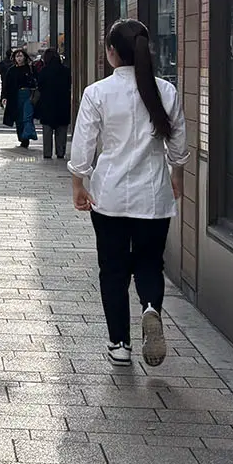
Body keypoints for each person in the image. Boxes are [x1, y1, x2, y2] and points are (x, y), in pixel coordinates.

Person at [68, 19, 189, 369]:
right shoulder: (165, 91)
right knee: (150, 262)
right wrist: (176, 177)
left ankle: (120, 344)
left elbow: (83, 146)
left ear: (110, 53)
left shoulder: (98, 93)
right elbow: (178, 147)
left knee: (114, 270)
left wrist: (79, 183)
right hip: (153, 197)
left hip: (110, 197)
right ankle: (151, 307)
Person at [34, 47, 71, 159]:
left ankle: (47, 153)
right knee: (61, 129)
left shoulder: (44, 71)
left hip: (47, 104)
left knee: (47, 130)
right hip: (63, 103)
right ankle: (60, 152)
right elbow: (69, 84)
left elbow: (40, 86)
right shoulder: (65, 70)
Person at [1, 48, 38, 149]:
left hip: (28, 95)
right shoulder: (11, 70)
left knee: (27, 116)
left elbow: (37, 81)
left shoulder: (30, 69)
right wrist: (4, 97)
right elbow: (6, 85)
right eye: (17, 56)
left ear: (25, 57)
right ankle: (21, 136)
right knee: (18, 118)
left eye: (21, 56)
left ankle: (27, 137)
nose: (19, 58)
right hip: (15, 96)